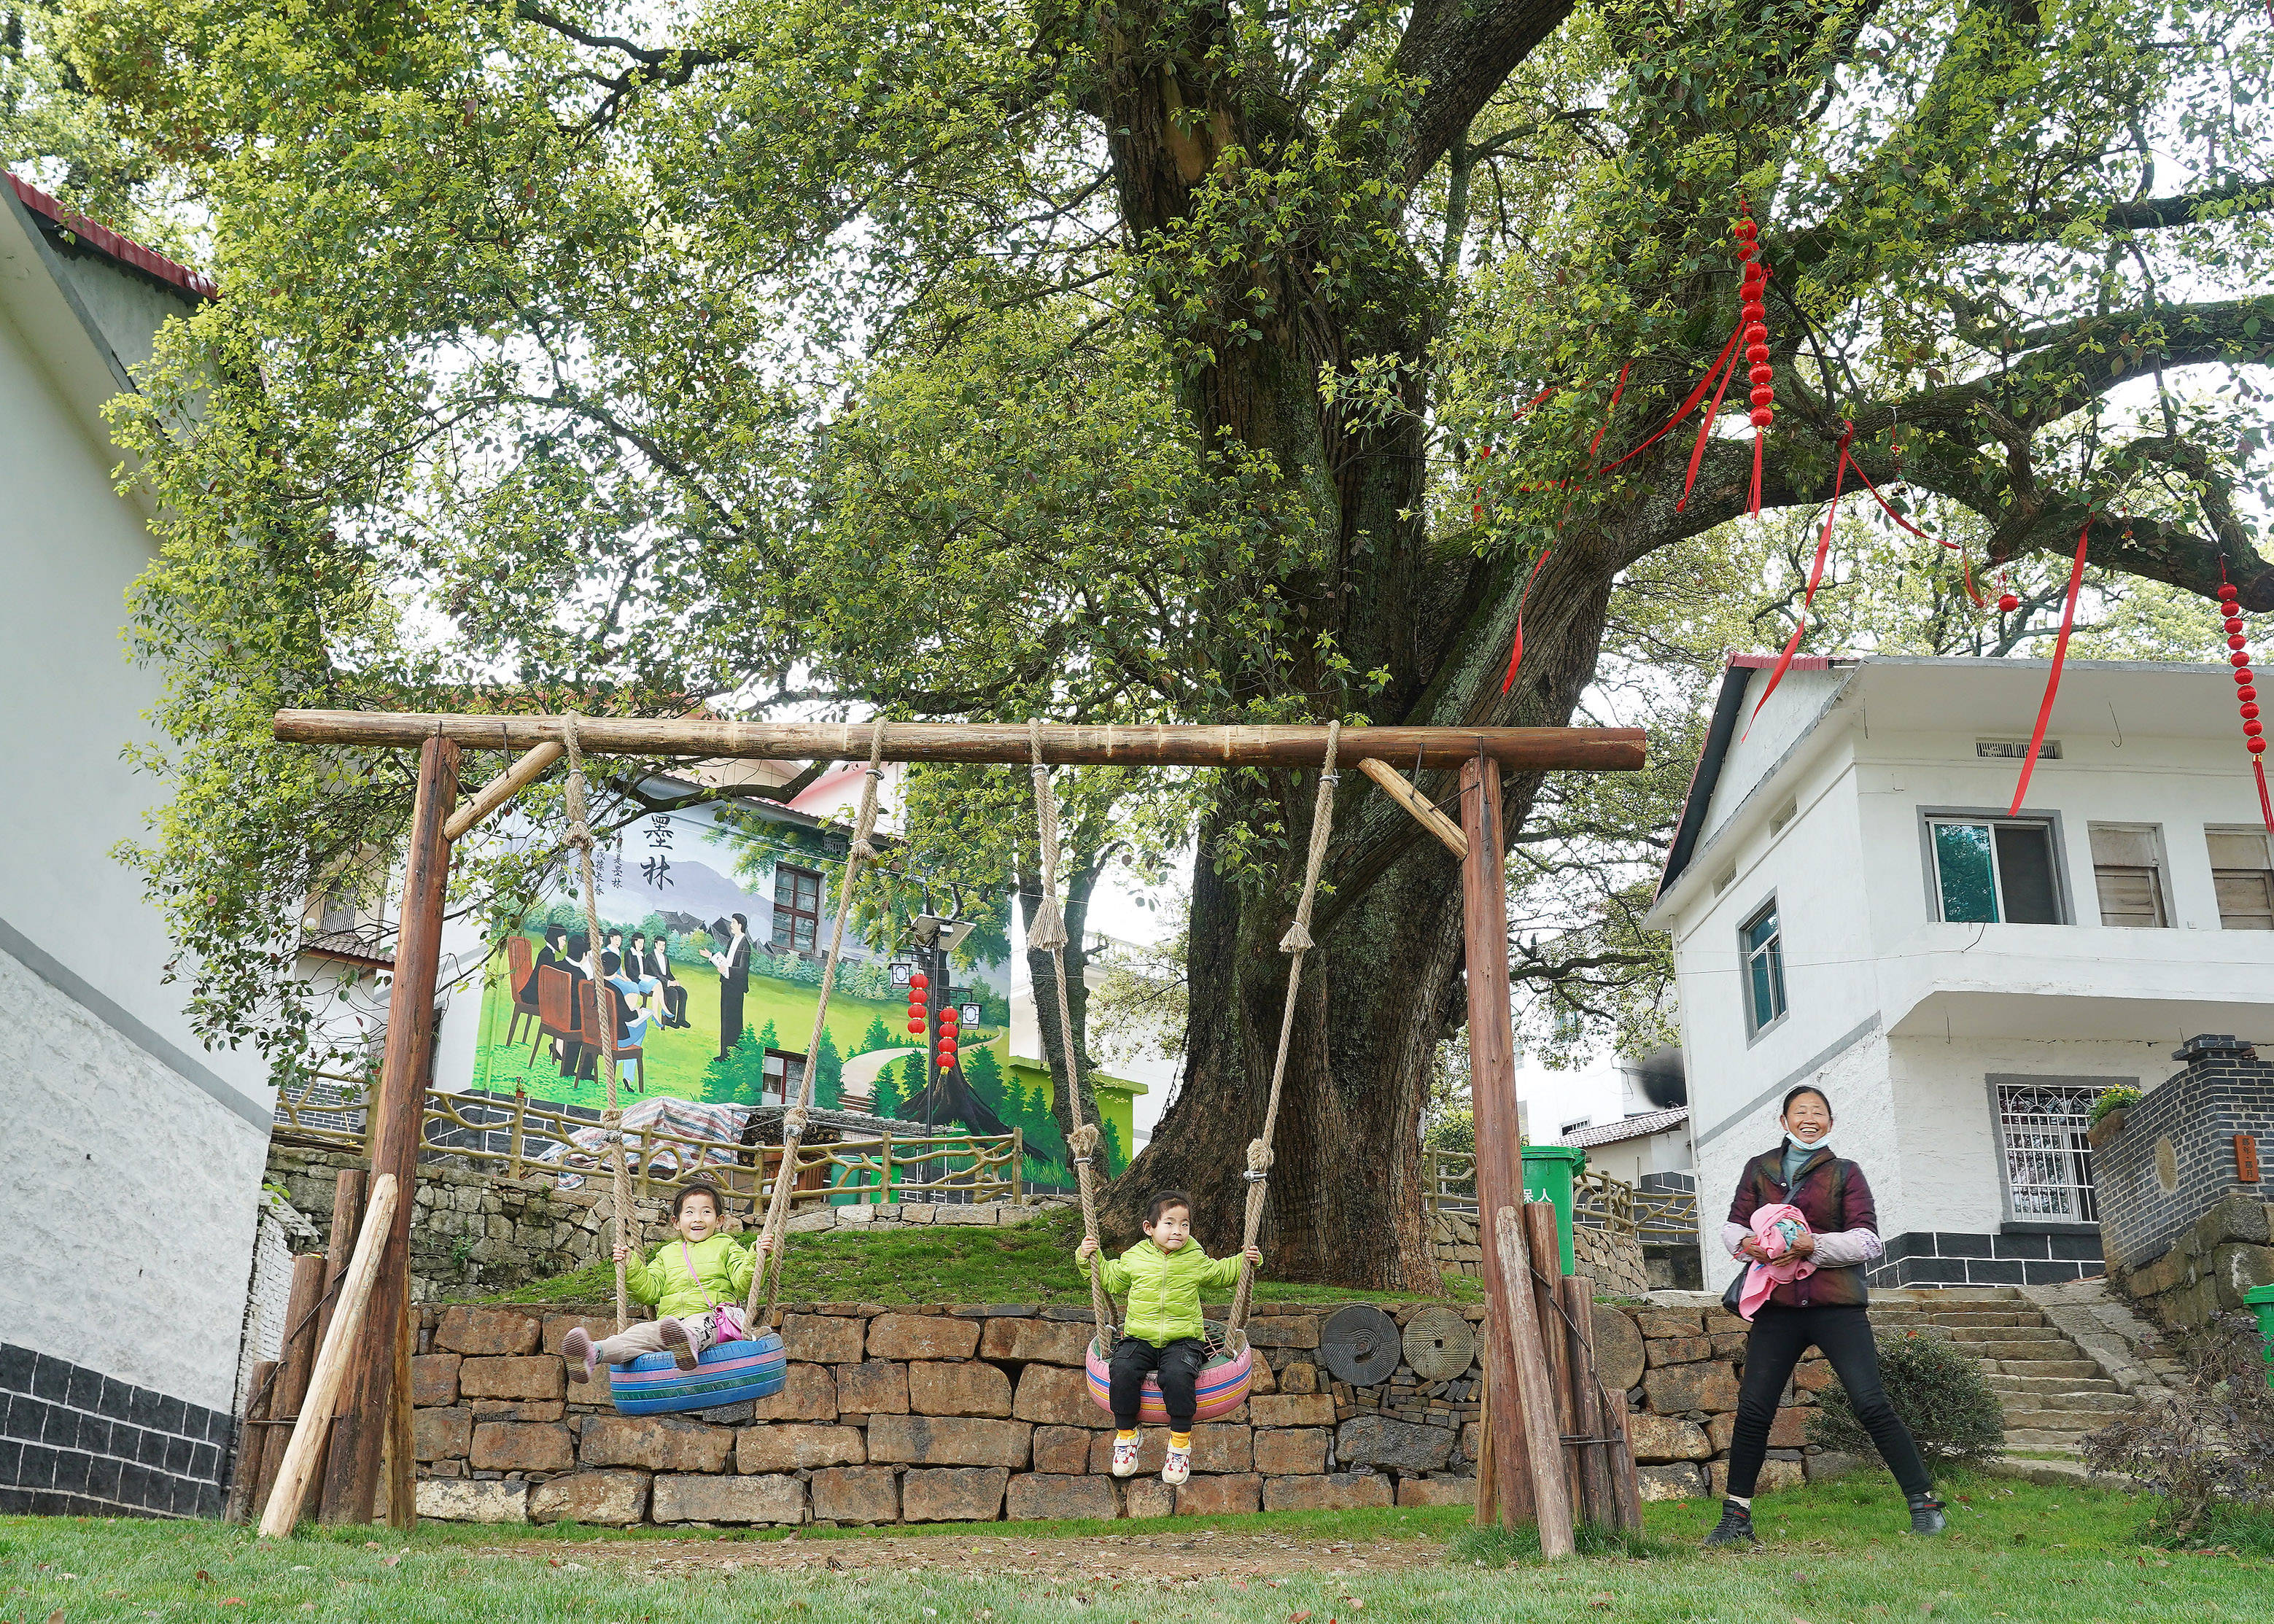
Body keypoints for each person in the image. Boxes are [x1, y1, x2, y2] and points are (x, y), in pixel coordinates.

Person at [1704, 1085, 1946, 1546]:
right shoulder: (1760, 1169)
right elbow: (1734, 1224)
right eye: (1800, 1112)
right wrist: (1746, 1245)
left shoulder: (1846, 1173)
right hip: (1776, 1307)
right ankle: (1736, 1518)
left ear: (1830, 1123)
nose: (1809, 1118)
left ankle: (1924, 1504)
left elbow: (1868, 1240)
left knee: (1871, 1403)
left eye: (1818, 1112)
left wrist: (1813, 1245)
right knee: (1754, 1409)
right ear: (1784, 1122)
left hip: (1837, 1305)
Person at [1076, 1190, 1260, 1486]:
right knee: (1122, 1369)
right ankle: (1126, 1437)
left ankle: (1179, 1445)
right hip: (1140, 1335)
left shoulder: (1194, 1258)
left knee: (1177, 1375)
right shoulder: (1135, 1258)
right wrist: (1089, 1259)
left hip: (1183, 1338)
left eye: (1185, 1224)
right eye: (1170, 1223)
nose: (1178, 1230)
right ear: (1150, 1228)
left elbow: (1221, 1272)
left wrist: (1246, 1260)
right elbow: (1109, 1277)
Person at [562, 1182, 753, 1379]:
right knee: (637, 1333)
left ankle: (688, 1344)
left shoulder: (727, 1246)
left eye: (706, 1212)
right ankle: (592, 1353)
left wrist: (757, 1256)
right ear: (676, 1222)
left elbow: (744, 1280)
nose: (698, 1219)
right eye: (689, 1213)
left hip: (710, 1317)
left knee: (697, 1324)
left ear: (719, 1220)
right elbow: (650, 1291)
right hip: (669, 1325)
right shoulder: (667, 1254)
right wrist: (630, 1265)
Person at [707, 914, 750, 1059]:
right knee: (725, 1020)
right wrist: (711, 956)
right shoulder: (731, 941)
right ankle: (724, 1054)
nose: (731, 925)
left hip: (736, 988)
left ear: (740, 926)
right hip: (726, 984)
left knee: (735, 1021)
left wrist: (727, 970)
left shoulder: (745, 945)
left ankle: (736, 1055)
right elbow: (725, 961)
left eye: (733, 922)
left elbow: (743, 970)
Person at [648, 933, 691, 1029]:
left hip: (666, 982)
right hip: (656, 983)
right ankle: (668, 1020)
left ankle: (681, 1019)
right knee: (673, 992)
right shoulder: (650, 957)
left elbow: (668, 973)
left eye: (664, 945)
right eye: (660, 945)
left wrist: (674, 980)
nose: (662, 947)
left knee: (683, 992)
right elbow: (656, 974)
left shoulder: (665, 958)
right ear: (655, 945)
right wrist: (669, 983)